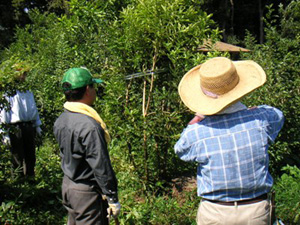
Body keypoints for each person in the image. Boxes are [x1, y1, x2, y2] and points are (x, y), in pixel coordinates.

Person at [174, 57, 284, 225]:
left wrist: (197, 118)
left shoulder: (196, 132)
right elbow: (278, 115)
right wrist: (253, 111)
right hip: (255, 211)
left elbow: (181, 150)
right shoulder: (262, 119)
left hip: (215, 212)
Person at [53, 67, 120, 225]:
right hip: (86, 193)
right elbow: (100, 164)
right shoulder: (89, 125)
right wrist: (112, 197)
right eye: (93, 86)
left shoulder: (61, 119)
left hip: (68, 186)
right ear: (88, 89)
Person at [0, 63, 42, 178]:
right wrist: (4, 133)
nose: (23, 77)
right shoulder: (9, 92)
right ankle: (19, 182)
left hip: (28, 126)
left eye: (24, 74)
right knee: (17, 156)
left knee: (30, 154)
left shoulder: (27, 91)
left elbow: (33, 108)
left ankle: (31, 178)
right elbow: (4, 113)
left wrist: (37, 125)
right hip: (15, 127)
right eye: (21, 74)